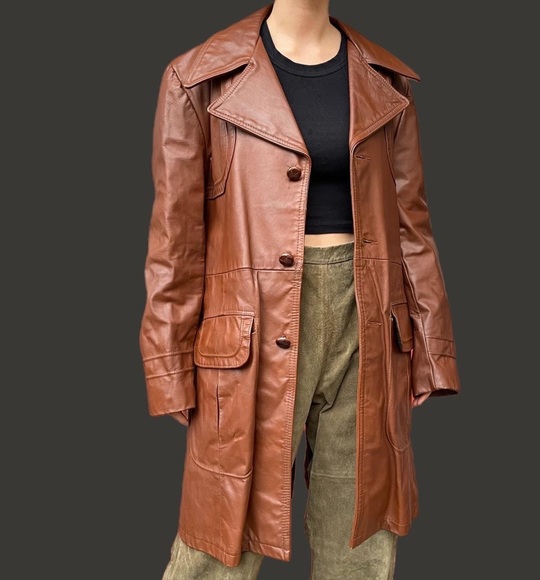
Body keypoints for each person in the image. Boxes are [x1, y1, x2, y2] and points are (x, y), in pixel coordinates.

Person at [139, 1, 461, 578]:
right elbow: (175, 237)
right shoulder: (200, 77)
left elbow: (412, 224)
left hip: (368, 320)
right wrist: (169, 364)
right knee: (222, 533)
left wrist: (431, 349)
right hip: (249, 329)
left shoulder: (384, 80)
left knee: (361, 532)